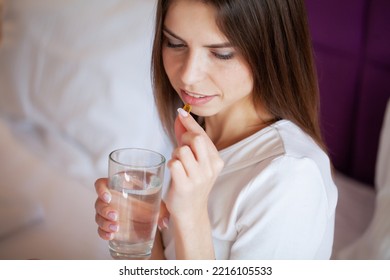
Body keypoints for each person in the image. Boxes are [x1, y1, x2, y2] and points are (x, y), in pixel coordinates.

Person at [94, 0, 338, 260]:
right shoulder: (200, 133)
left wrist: (191, 215)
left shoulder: (292, 179)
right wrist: (140, 230)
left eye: (221, 54)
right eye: (175, 43)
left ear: (271, 50)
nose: (188, 76)